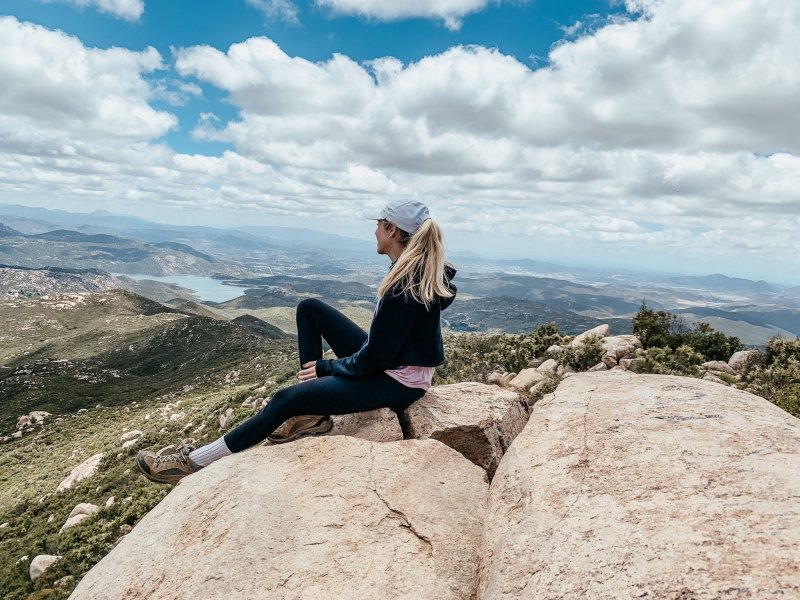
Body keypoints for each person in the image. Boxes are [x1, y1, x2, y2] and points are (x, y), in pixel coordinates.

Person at [137, 199, 457, 485]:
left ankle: (193, 463)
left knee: (284, 400)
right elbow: (384, 346)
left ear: (391, 229)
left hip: (398, 381)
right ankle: (311, 415)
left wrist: (326, 367)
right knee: (310, 309)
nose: (374, 232)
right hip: (395, 363)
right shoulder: (413, 269)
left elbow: (377, 359)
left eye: (378, 225)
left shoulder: (404, 285)